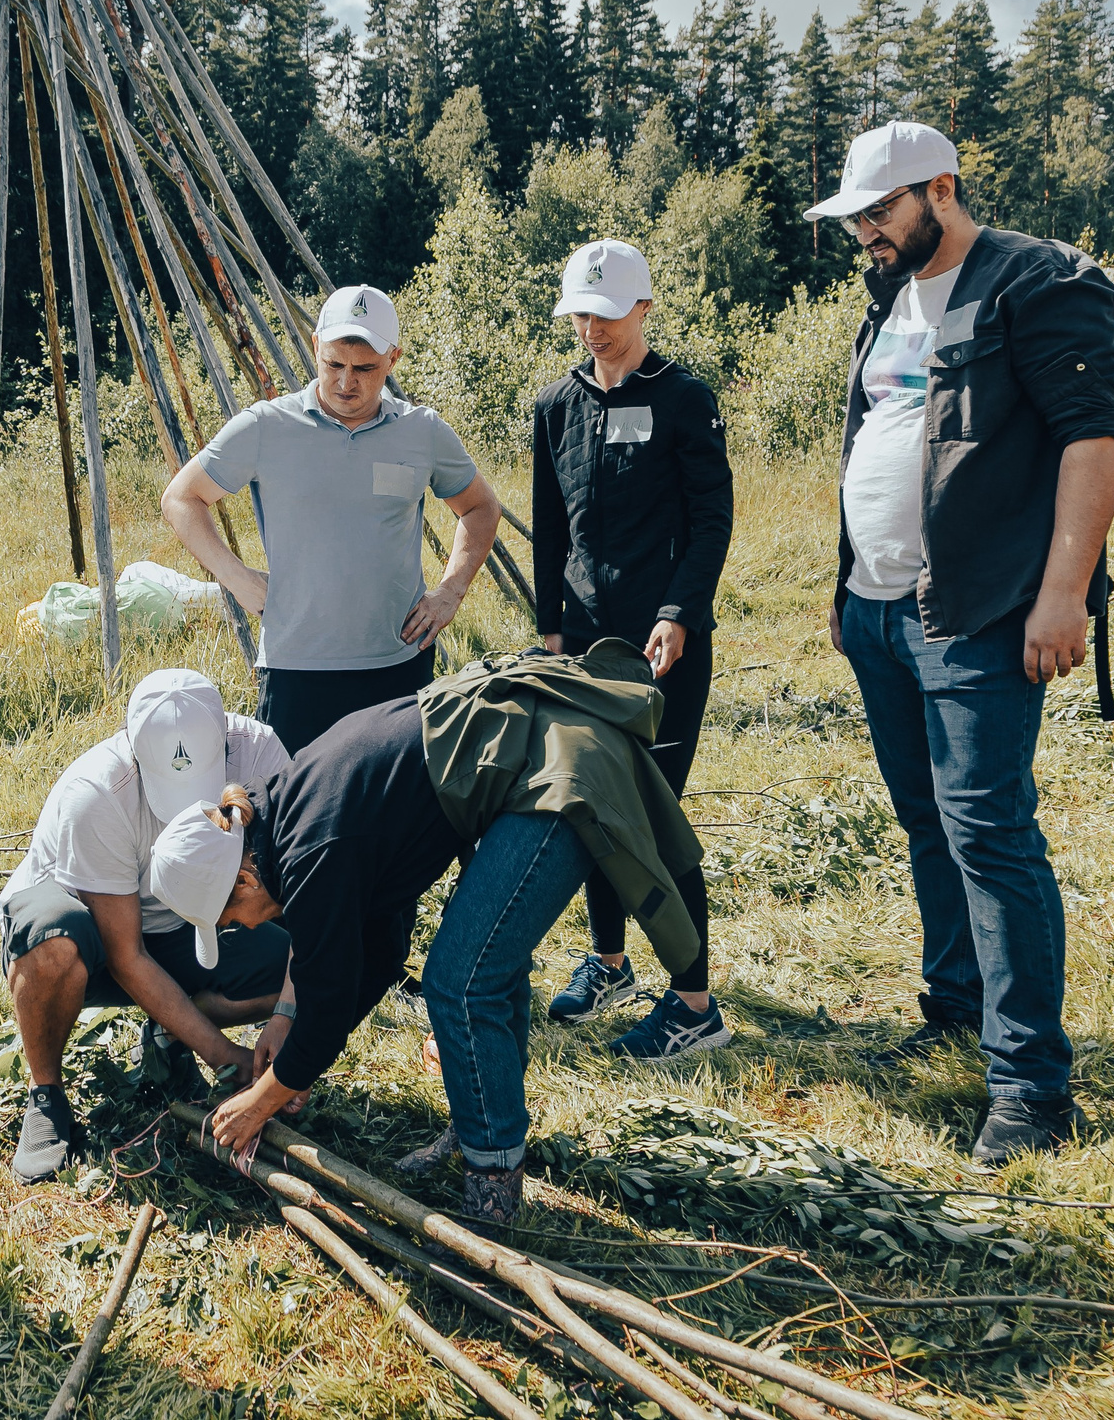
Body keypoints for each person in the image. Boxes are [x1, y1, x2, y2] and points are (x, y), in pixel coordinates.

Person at [809, 121, 1114, 1165]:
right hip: (878, 608)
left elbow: (1091, 435)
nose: (863, 231)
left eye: (879, 210)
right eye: (855, 216)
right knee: (924, 822)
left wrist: (1062, 593)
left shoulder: (1038, 281)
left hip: (982, 608)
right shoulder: (888, 298)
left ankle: (1029, 1086)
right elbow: (878, 438)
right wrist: (852, 588)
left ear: (940, 188)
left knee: (988, 831)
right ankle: (952, 1005)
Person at [190, 642, 702, 1225]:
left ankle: (493, 1191)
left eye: (231, 919)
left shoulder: (311, 851)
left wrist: (265, 1099)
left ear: (243, 877)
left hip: (557, 766)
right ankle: (480, 1124)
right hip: (533, 757)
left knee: (461, 978)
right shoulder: (285, 826)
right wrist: (289, 1041)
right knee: (481, 962)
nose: (245, 928)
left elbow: (329, 1001)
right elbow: (379, 957)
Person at [531, 237, 735, 1057]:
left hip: (664, 649)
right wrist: (551, 627)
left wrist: (681, 610)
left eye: (609, 313)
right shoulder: (555, 403)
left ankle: (695, 1002)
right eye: (581, 312)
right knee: (587, 806)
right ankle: (610, 961)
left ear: (644, 308)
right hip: (582, 643)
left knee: (651, 817)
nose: (593, 328)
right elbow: (550, 527)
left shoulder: (685, 398)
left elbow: (713, 518)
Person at [161, 284, 505, 754]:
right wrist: (235, 578)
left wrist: (451, 591)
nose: (346, 383)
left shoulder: (421, 432)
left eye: (364, 369)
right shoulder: (266, 427)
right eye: (334, 364)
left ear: (393, 359)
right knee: (292, 815)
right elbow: (182, 498)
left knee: (391, 816)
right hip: (297, 668)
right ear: (316, 347)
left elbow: (481, 507)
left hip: (397, 663)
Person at [0, 669, 293, 1183]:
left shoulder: (261, 755)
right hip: (93, 938)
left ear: (226, 744)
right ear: (134, 752)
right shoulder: (97, 793)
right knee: (54, 940)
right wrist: (227, 1057)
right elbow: (126, 954)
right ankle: (45, 1094)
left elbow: (301, 888)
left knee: (290, 966)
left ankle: (167, 1037)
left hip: (189, 924)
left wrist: (290, 1017)